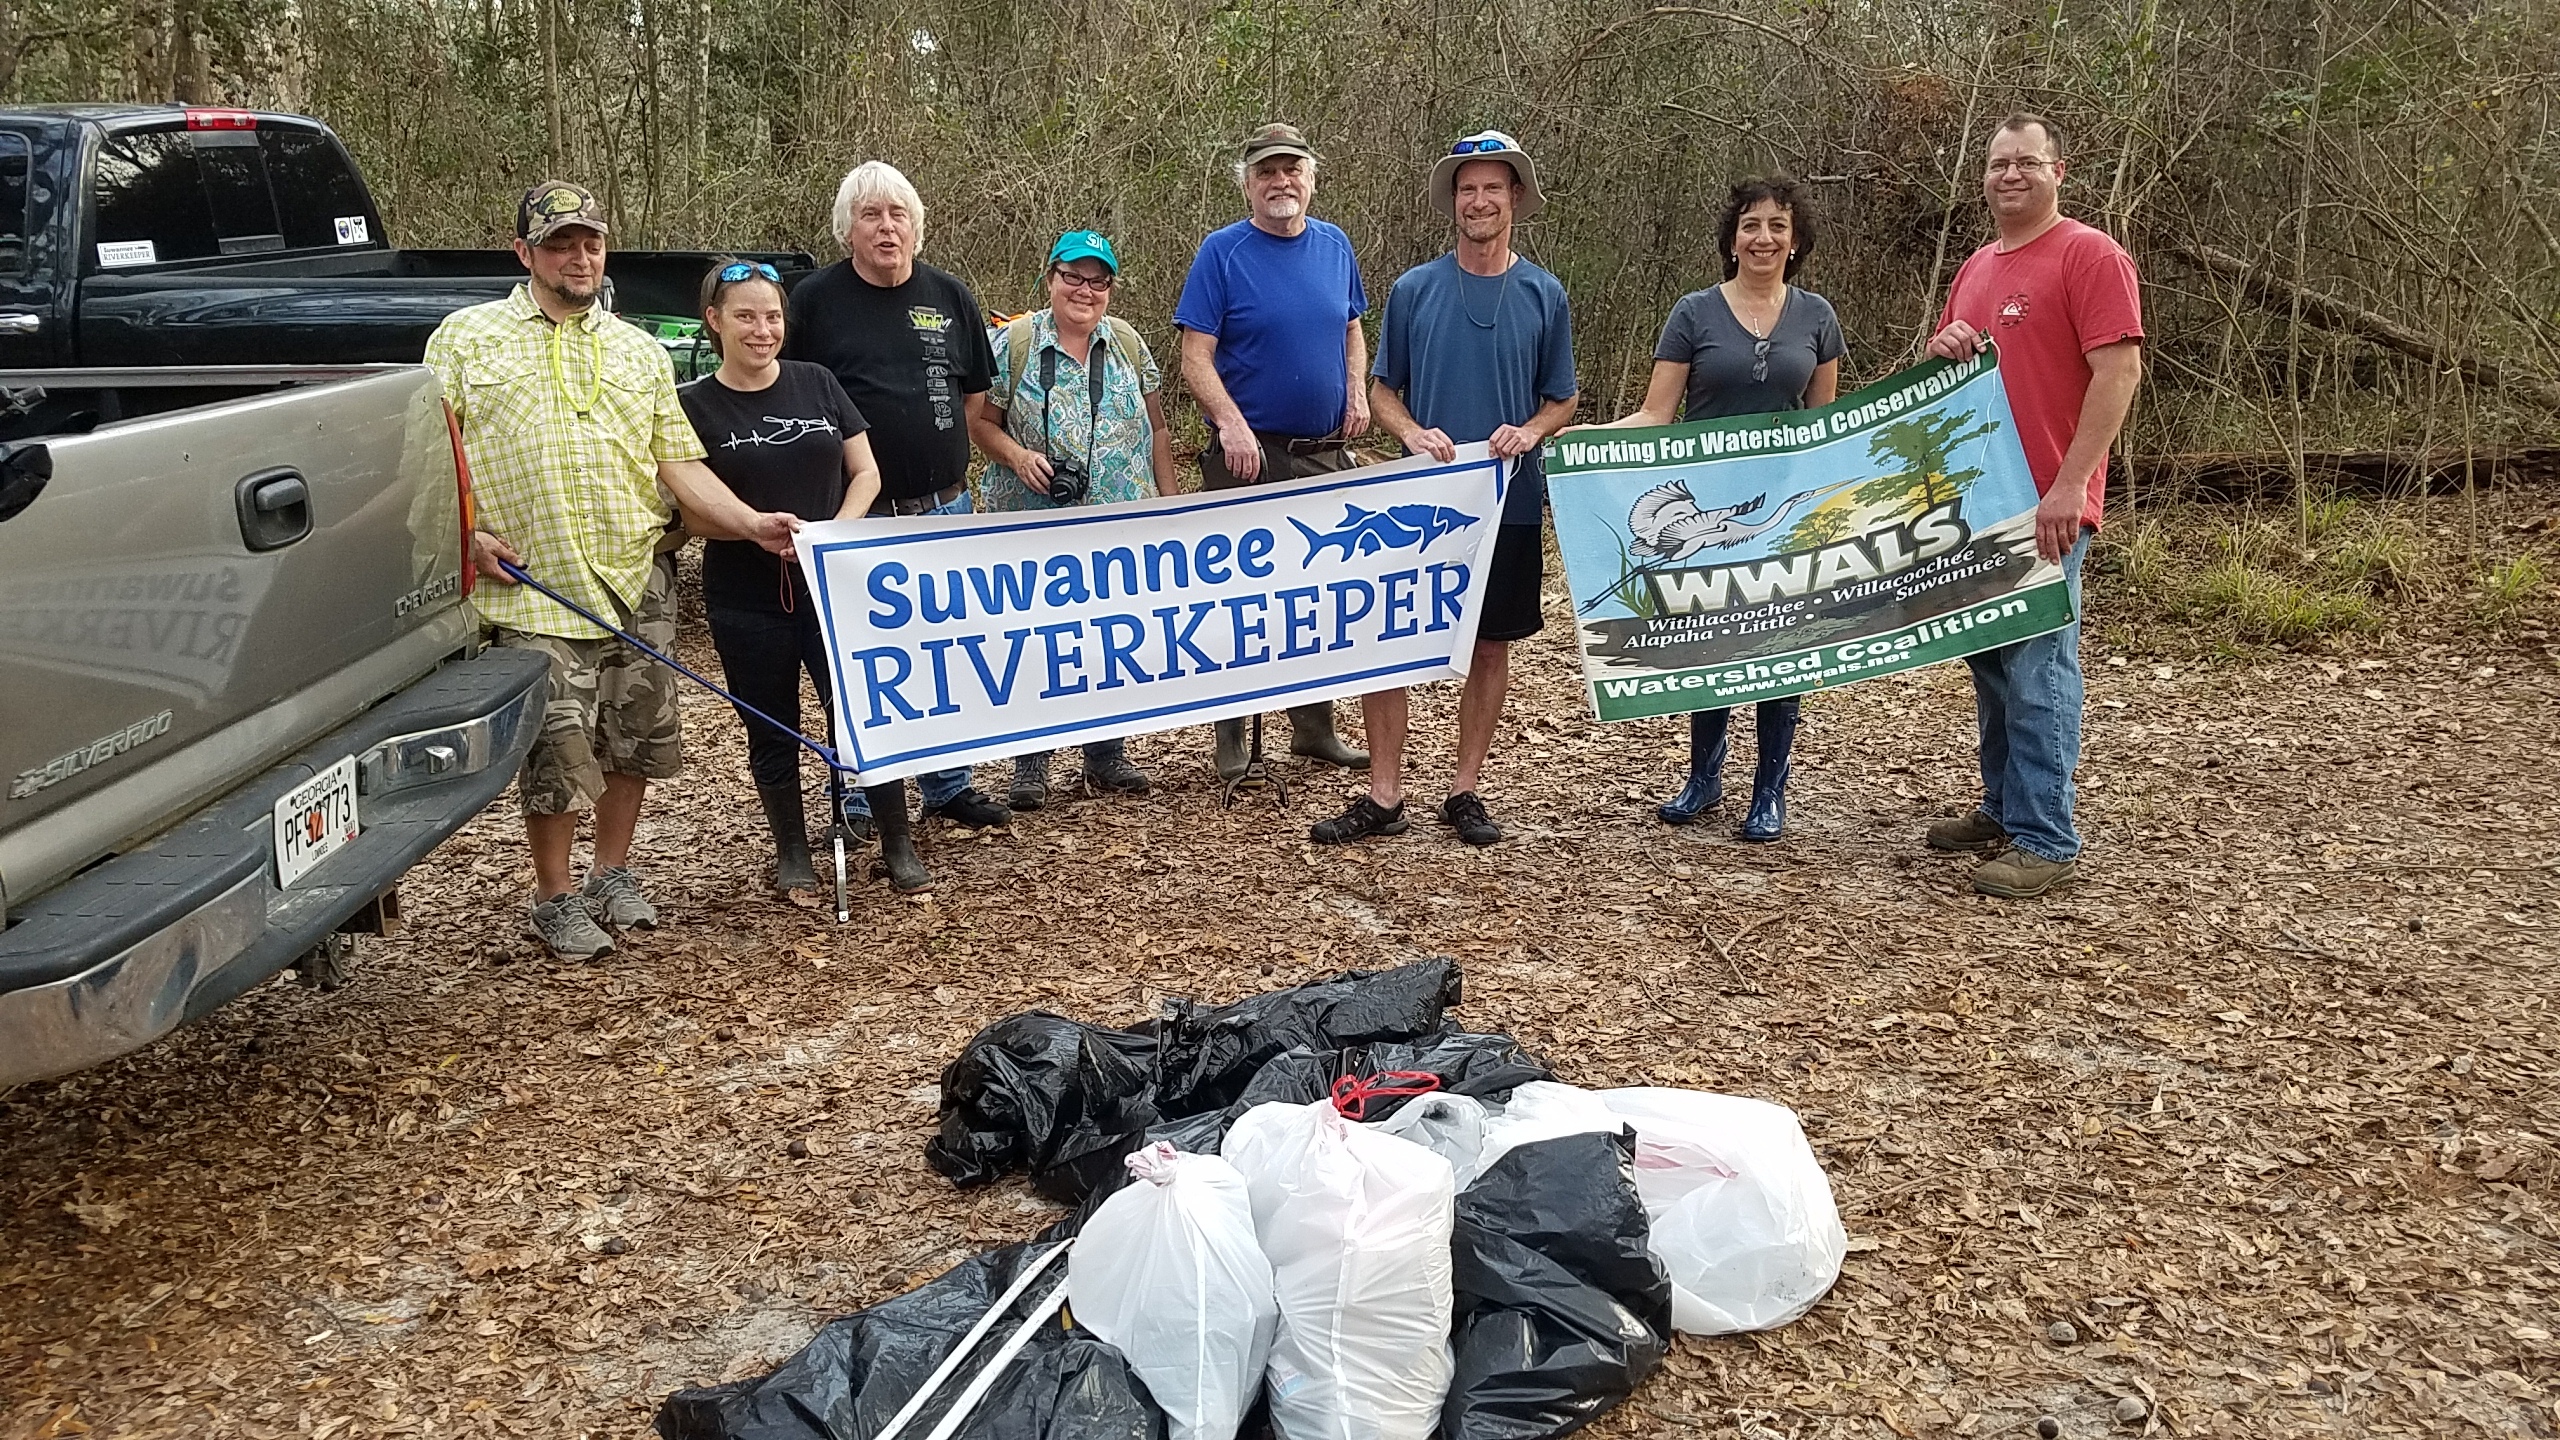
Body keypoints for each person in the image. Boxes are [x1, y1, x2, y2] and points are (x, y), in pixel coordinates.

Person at [426, 182, 801, 958]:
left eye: (590, 243)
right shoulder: (465, 339)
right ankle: (555, 895)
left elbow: (678, 464)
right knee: (558, 751)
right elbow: (433, 460)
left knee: (633, 741)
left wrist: (751, 524)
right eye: (561, 243)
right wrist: (466, 538)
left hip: (637, 578)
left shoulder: (637, 349)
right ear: (524, 251)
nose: (579, 256)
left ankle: (612, 873)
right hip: (533, 585)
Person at [1309, 131, 1579, 848]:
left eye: (1493, 187)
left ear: (1515, 197)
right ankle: (1385, 793)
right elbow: (1382, 390)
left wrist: (1530, 431)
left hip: (1507, 505)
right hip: (1417, 506)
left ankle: (1465, 788)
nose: (1480, 200)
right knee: (1385, 642)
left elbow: (1563, 400)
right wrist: (1410, 430)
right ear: (1452, 201)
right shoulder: (1414, 290)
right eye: (1468, 188)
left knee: (1492, 646)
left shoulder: (1544, 293)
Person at [1582, 176, 1844, 841]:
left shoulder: (1817, 318)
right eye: (1751, 225)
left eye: (1777, 226)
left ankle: (1769, 792)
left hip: (1778, 508)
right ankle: (1703, 779)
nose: (1763, 237)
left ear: (1796, 240)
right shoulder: (1694, 313)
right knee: (1712, 643)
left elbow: (1827, 427)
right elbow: (1655, 413)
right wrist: (1588, 442)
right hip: (1703, 512)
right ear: (1732, 240)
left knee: (1783, 645)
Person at [1924, 113, 2143, 898]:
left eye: (2026, 162)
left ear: (2059, 171)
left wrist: (2069, 485)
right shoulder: (1979, 264)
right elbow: (1967, 377)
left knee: (2039, 663)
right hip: (1981, 502)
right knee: (1989, 659)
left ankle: (2047, 836)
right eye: (1996, 164)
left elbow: (2118, 374)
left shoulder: (2090, 255)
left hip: (2049, 499)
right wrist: (1946, 345)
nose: (2009, 175)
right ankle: (2004, 808)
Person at [785, 160, 1013, 881]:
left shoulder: (949, 295)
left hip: (944, 504)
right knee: (861, 660)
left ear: (918, 223)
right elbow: (787, 396)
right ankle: (855, 791)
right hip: (854, 515)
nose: (888, 227)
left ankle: (947, 786)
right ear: (847, 227)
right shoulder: (814, 300)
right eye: (872, 215)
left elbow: (974, 399)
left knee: (945, 649)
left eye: (899, 214)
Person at [678, 258, 895, 894]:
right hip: (744, 595)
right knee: (771, 725)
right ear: (715, 322)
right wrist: (754, 529)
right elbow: (691, 513)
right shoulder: (691, 404)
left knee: (861, 713)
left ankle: (895, 841)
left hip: (833, 585)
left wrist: (829, 531)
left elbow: (867, 473)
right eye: (745, 316)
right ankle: (792, 849)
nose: (762, 329)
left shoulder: (818, 381)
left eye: (772, 316)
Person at [1173, 122, 1373, 786]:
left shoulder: (1335, 244)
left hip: (1323, 455)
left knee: (1317, 601)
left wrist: (1355, 390)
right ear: (1249, 183)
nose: (1280, 182)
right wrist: (1228, 422)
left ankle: (1315, 731)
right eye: (1267, 172)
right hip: (1247, 459)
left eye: (1292, 169)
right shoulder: (1222, 252)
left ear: (1311, 177)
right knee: (1239, 602)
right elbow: (1194, 356)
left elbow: (1351, 326)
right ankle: (1232, 739)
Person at [967, 230, 1176, 810]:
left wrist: (1169, 502)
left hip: (1117, 521)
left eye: (1098, 280)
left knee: (1112, 634)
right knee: (1039, 638)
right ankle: (1030, 761)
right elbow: (980, 423)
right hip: (1033, 523)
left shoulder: (1130, 344)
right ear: (1051, 277)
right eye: (1073, 277)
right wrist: (1018, 457)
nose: (1085, 290)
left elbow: (1158, 429)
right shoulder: (1013, 343)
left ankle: (1106, 753)